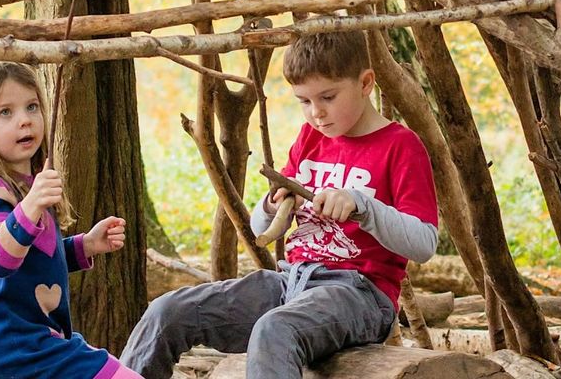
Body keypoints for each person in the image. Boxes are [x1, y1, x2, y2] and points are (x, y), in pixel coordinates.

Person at [121, 30, 439, 379]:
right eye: (304, 101)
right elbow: (261, 230)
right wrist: (273, 206)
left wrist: (362, 205)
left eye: (328, 97)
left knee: (275, 329)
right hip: (291, 283)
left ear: (365, 83)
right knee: (168, 311)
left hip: (360, 294)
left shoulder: (400, 146)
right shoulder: (311, 138)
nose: (316, 112)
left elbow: (423, 244)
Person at [0, 61, 142, 379]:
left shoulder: (30, 185)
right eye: (5, 112)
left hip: (36, 342)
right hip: (11, 346)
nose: (24, 120)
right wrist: (31, 205)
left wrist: (87, 245)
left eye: (32, 106)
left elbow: (35, 262)